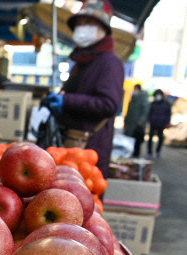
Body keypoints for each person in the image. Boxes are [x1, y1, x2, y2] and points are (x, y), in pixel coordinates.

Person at [43, 0, 124, 179]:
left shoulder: (109, 62)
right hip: (71, 144)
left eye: (88, 23)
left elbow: (108, 104)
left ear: (103, 29)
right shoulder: (82, 61)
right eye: (79, 24)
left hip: (90, 148)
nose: (82, 28)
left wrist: (67, 101)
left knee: (84, 198)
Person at [123, 84, 149, 157]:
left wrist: (141, 120)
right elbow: (128, 111)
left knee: (137, 140)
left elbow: (145, 111)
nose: (134, 91)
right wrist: (125, 121)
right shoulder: (132, 99)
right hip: (130, 123)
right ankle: (128, 153)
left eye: (136, 89)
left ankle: (136, 154)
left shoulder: (143, 99)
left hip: (137, 124)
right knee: (129, 139)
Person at [146, 89, 172, 159]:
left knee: (160, 138)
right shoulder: (153, 103)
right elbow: (149, 113)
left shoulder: (166, 104)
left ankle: (158, 151)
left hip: (161, 124)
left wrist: (167, 122)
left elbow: (168, 114)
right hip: (153, 123)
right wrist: (148, 121)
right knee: (150, 138)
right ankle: (149, 152)